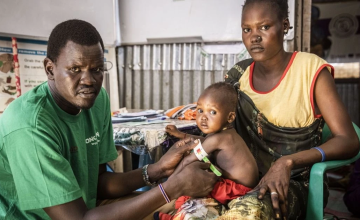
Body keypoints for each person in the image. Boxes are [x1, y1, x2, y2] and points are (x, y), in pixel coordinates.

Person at [0, 19, 218, 220]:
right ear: (50, 69)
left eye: (97, 69)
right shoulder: (30, 126)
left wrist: (158, 170)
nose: (88, 80)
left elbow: (99, 184)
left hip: (85, 209)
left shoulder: (96, 100)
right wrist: (171, 188)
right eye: (75, 69)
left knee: (194, 207)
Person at [223, 0, 360, 219]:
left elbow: (349, 140)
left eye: (264, 27)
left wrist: (288, 162)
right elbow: (219, 126)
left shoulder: (310, 69)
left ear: (285, 25)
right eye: (247, 29)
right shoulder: (239, 73)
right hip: (241, 177)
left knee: (247, 213)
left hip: (295, 182)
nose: (254, 37)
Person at [162, 82, 259, 219]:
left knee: (193, 176)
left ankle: (174, 209)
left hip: (236, 189)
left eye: (212, 112)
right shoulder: (224, 134)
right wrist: (181, 135)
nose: (203, 117)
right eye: (200, 110)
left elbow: (190, 159)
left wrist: (171, 184)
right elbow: (203, 142)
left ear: (230, 117)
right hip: (239, 185)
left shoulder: (219, 139)